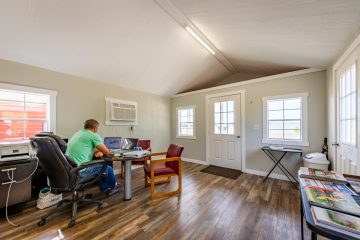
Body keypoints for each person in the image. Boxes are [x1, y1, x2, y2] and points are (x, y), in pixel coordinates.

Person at [65, 119, 117, 195]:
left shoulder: (78, 133)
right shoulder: (93, 135)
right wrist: (100, 152)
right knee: (108, 169)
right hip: (81, 170)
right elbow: (106, 151)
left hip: (70, 169)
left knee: (97, 169)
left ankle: (105, 187)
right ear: (95, 128)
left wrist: (95, 152)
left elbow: (84, 148)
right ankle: (111, 188)